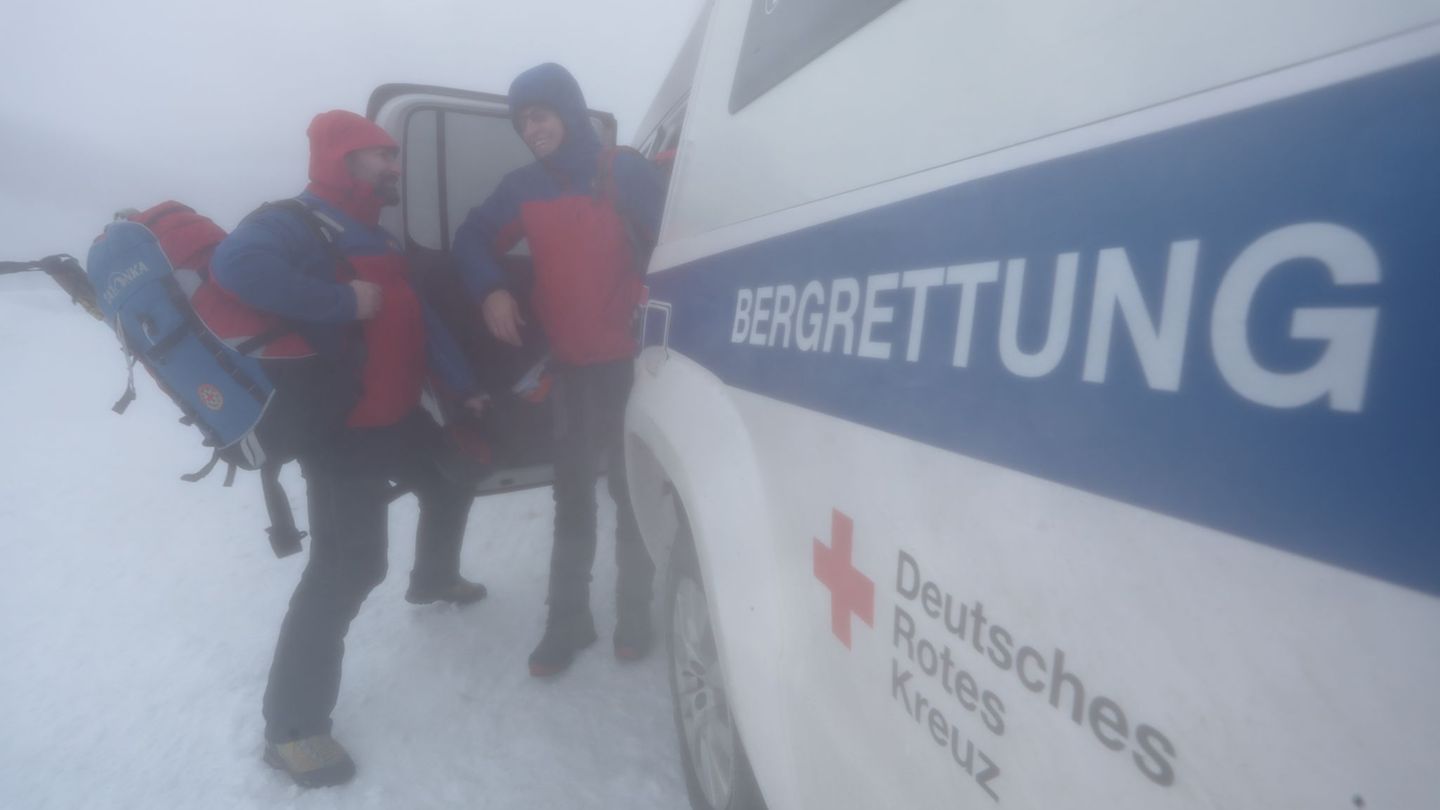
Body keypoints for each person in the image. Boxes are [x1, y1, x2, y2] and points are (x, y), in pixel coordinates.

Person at [212, 109, 489, 788]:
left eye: (394, 155)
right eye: (381, 155)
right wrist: (339, 302)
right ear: (342, 160)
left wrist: (462, 385)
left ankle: (433, 578)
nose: (395, 166)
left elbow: (415, 318)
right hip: (344, 432)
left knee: (454, 476)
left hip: (398, 415)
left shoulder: (375, 232)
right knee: (348, 569)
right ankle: (292, 730)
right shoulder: (294, 222)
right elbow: (233, 266)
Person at [452, 63, 665, 677]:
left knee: (629, 491)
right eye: (522, 122)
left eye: (540, 116)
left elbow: (675, 242)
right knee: (572, 495)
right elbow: (471, 238)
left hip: (634, 366)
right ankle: (568, 619)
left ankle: (634, 610)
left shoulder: (622, 171)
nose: (531, 130)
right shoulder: (523, 186)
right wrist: (492, 289)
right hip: (572, 368)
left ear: (568, 113)